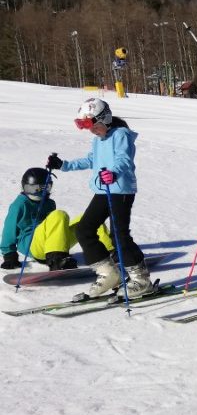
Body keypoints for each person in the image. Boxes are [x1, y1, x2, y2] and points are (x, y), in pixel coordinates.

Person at [45, 98, 154, 299]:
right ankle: (109, 273)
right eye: (88, 128)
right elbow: (91, 160)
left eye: (94, 126)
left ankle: (141, 279)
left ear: (105, 118)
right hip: (103, 190)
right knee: (84, 229)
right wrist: (63, 165)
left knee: (119, 236)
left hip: (120, 190)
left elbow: (124, 159)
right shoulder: (98, 139)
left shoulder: (121, 135)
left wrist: (113, 172)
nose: (92, 131)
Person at [1, 168, 113, 272]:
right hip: (32, 244)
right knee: (59, 215)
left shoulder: (49, 203)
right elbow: (9, 229)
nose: (38, 192)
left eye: (44, 188)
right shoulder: (20, 204)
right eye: (33, 188)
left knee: (89, 218)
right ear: (24, 187)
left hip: (51, 242)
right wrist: (9, 255)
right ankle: (56, 259)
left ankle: (112, 252)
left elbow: (55, 227)